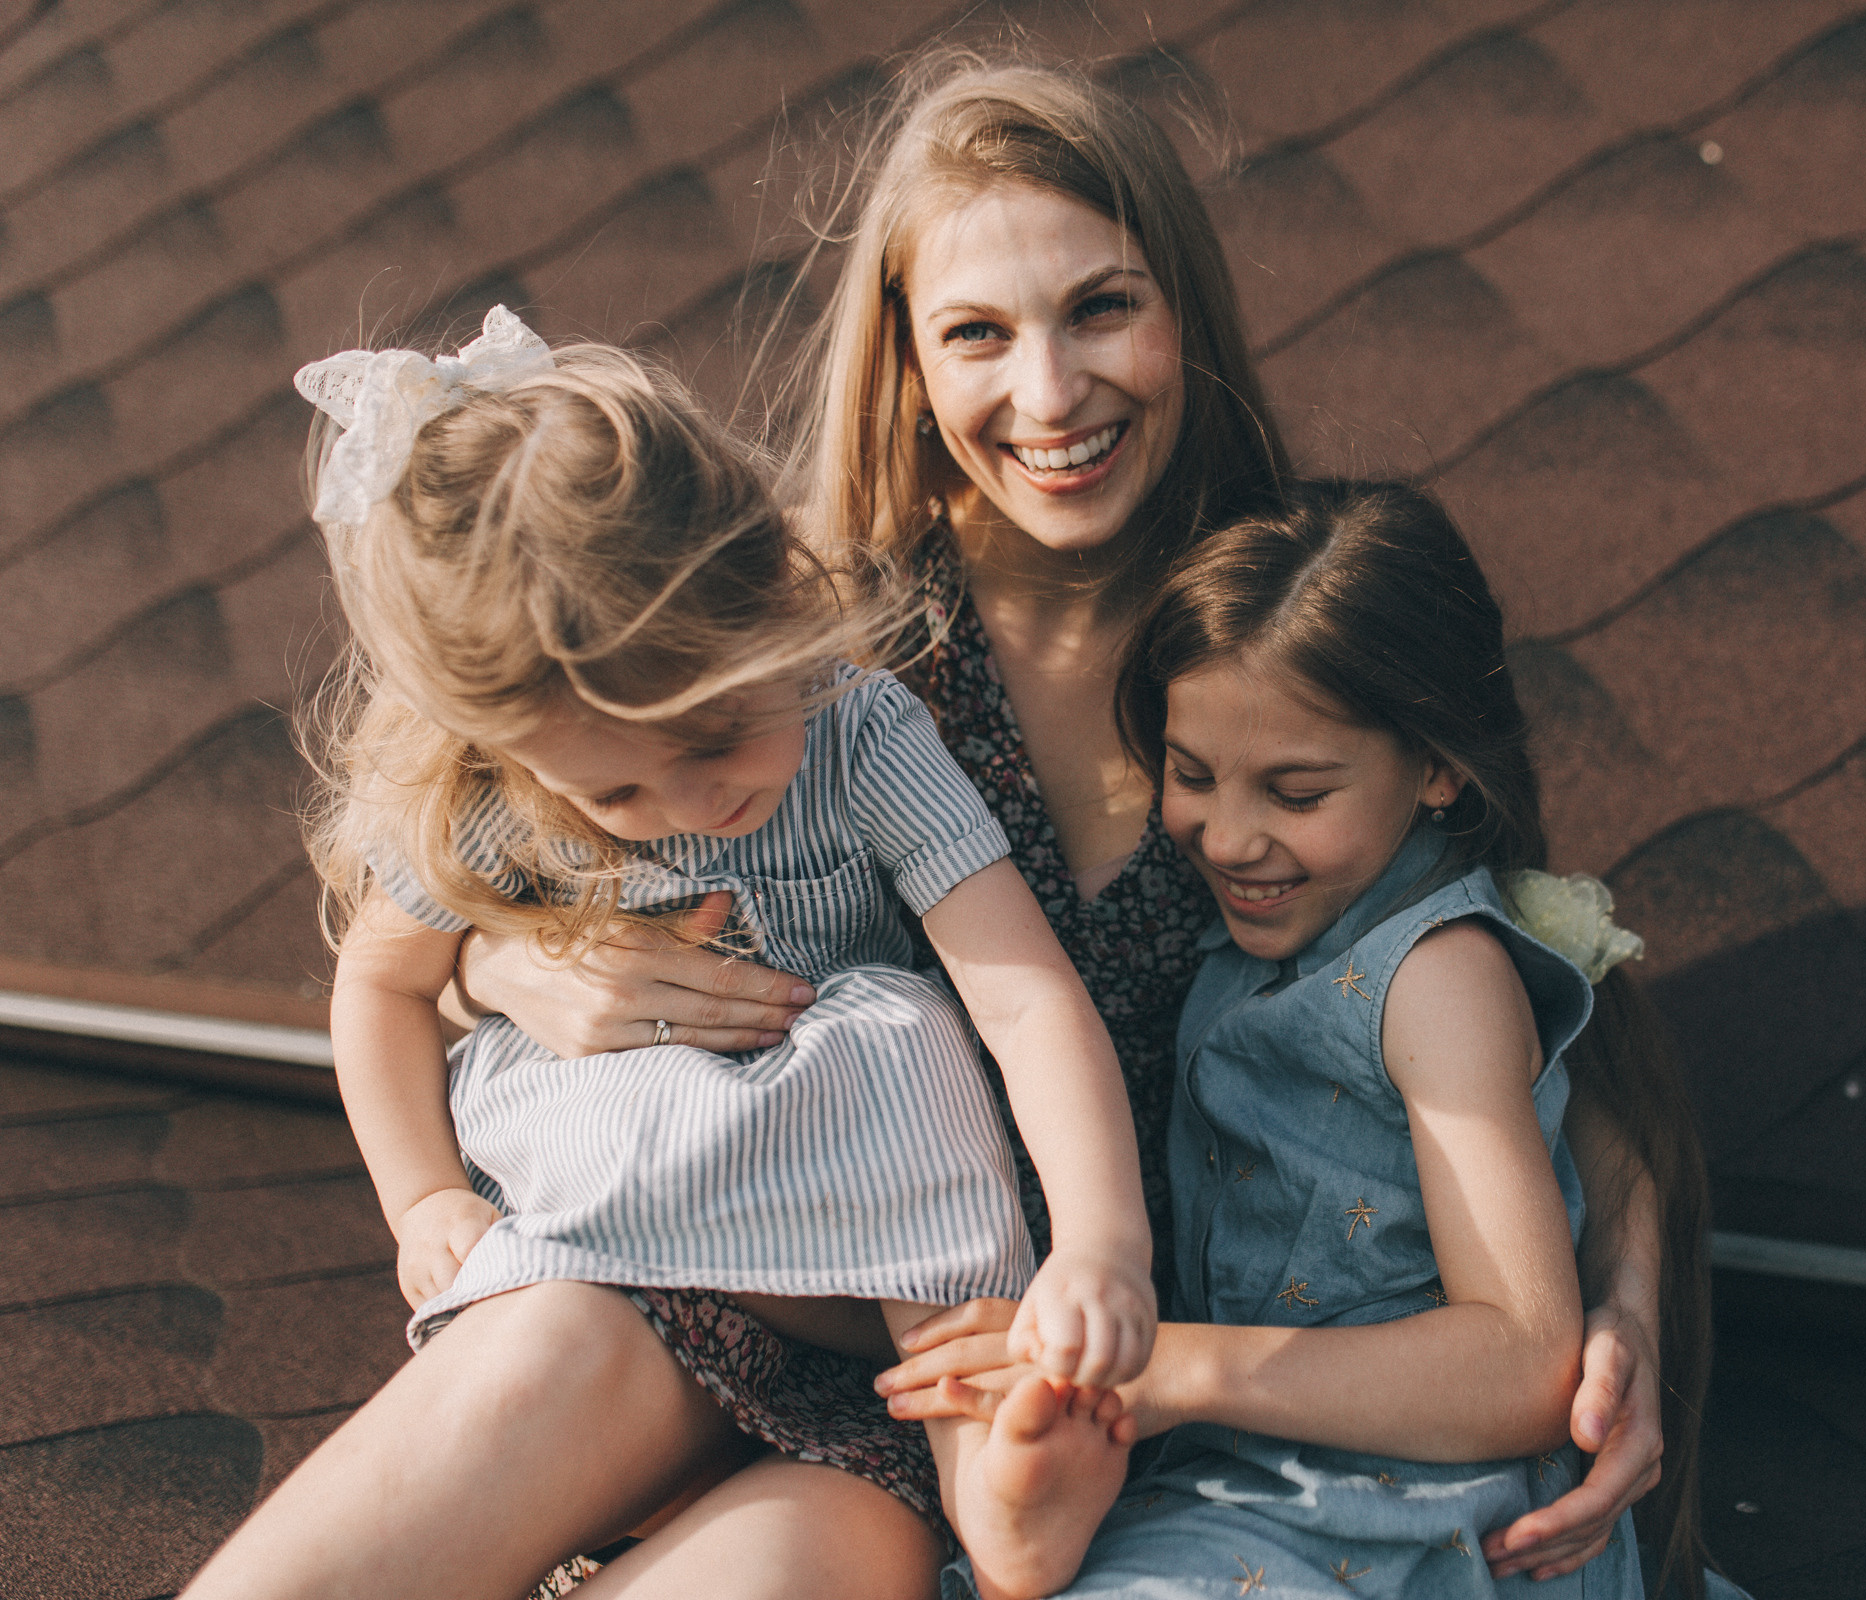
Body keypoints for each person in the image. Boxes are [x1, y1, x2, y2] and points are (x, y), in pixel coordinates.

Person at [449, 55, 1704, 1593]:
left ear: (1183, 311)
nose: (1049, 396)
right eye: (977, 333)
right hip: (802, 1319)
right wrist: (511, 968)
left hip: (1120, 1425)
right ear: (907, 360)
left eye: (1102, 309)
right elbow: (502, 840)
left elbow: (1541, 998)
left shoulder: (1277, 633)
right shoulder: (803, 652)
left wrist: (1619, 1317)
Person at [183, 312, 1154, 1597]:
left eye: (714, 737)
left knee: (900, 1049)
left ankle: (999, 1495)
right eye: (617, 794)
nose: (686, 803)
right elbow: (381, 981)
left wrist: (1101, 1240)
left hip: (865, 1270)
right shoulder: (494, 792)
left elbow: (1022, 1000)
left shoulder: (862, 736)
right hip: (628, 1258)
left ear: (772, 593)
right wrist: (422, 1198)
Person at [880, 479, 1741, 1598]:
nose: (1229, 835)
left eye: (1295, 791)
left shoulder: (1436, 977)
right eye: (1190, 775)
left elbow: (1528, 1359)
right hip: (1266, 1482)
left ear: (1437, 767)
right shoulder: (1289, 926)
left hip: (1416, 1512)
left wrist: (1168, 1364)